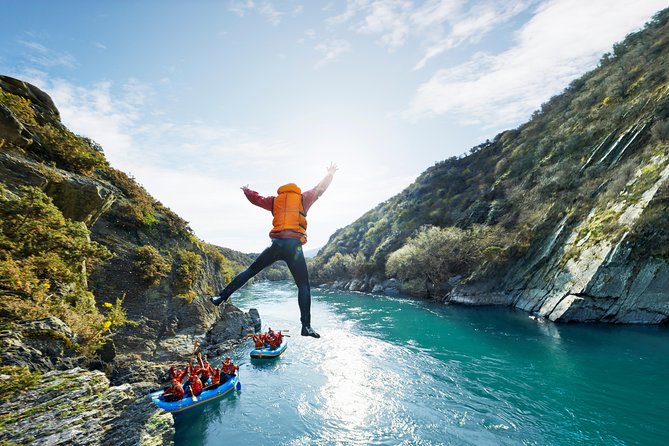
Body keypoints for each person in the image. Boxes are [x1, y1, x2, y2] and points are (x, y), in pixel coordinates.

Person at [210, 163, 338, 339]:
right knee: (303, 285)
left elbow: (257, 199)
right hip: (294, 248)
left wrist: (247, 191)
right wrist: (330, 174)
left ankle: (221, 297)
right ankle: (306, 326)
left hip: (276, 245)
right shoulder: (303, 198)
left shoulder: (275, 200)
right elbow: (320, 189)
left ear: (282, 191)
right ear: (295, 190)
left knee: (250, 271)